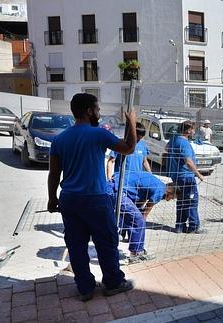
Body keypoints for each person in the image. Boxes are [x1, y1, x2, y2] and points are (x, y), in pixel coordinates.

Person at [47, 93, 137, 301]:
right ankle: (114, 283)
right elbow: (129, 148)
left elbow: (54, 174)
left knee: (76, 245)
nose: (99, 113)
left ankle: (85, 288)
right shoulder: (99, 134)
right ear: (89, 111)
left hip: (69, 199)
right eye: (97, 109)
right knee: (106, 242)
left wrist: (52, 199)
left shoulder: (60, 139)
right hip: (96, 200)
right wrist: (131, 122)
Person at [109, 172, 178, 263]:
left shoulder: (157, 184)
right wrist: (141, 222)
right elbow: (144, 214)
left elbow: (141, 202)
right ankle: (136, 253)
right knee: (138, 220)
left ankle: (136, 248)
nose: (170, 200)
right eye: (172, 198)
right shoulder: (160, 191)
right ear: (169, 192)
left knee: (134, 218)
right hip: (119, 191)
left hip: (116, 186)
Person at [166, 121, 205, 233]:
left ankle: (179, 226)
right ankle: (193, 226)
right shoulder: (184, 144)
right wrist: (199, 174)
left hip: (176, 176)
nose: (194, 132)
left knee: (181, 201)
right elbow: (188, 161)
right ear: (188, 130)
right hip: (186, 176)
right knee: (192, 201)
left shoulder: (174, 139)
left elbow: (166, 148)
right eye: (193, 129)